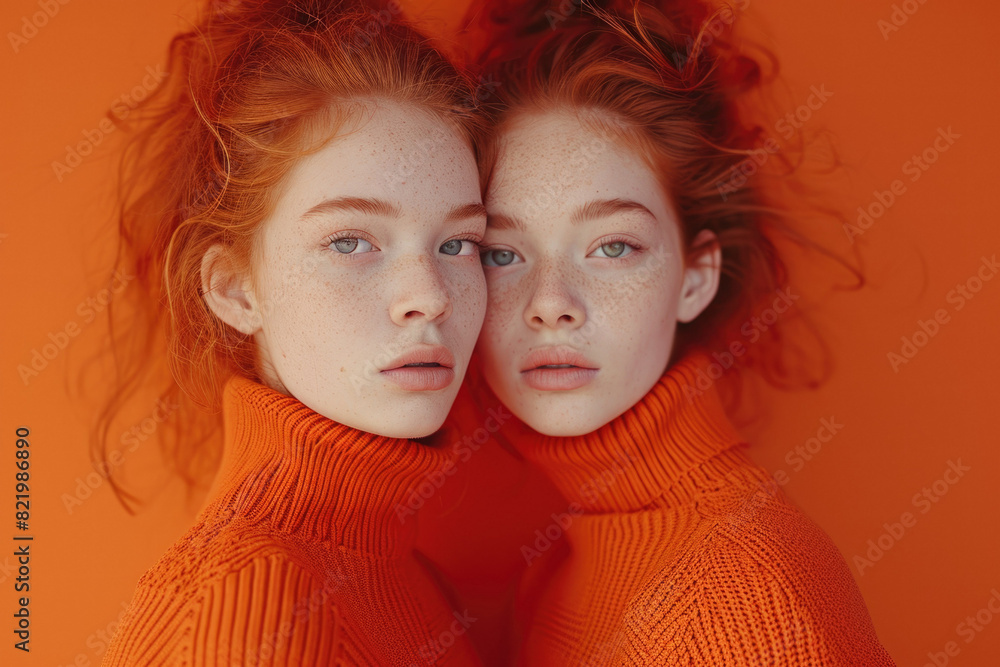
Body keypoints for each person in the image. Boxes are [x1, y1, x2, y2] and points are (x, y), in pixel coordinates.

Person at [459, 0, 897, 664]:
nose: (551, 304)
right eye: (502, 252)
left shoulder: (744, 599)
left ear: (695, 277)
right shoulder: (571, 556)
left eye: (612, 247)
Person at [96, 0, 490, 663]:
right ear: (233, 287)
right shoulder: (249, 604)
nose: (429, 296)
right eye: (350, 240)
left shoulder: (402, 570)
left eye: (459, 243)